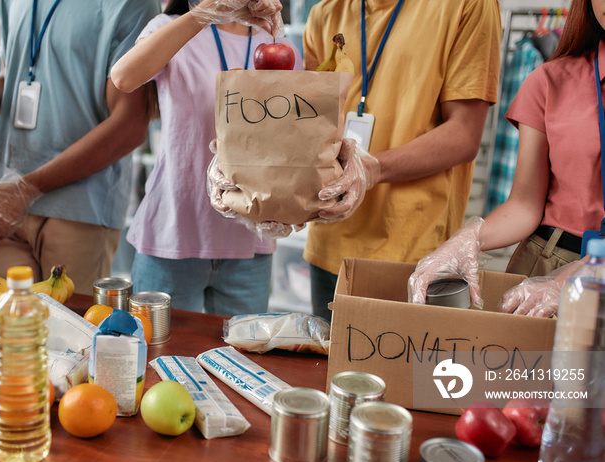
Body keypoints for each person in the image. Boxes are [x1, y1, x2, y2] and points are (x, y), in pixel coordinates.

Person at [211, 0, 500, 321]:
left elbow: (463, 134)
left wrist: (371, 168)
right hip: (328, 242)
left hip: (415, 253)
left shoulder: (468, 6)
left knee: (403, 370)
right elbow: (307, 127)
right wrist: (258, 179)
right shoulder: (325, 13)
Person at [0, 0, 161, 295]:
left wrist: (27, 189)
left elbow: (129, 128)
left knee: (68, 333)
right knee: (1, 328)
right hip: (6, 199)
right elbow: (15, 84)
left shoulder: (131, 5)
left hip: (78, 209)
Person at [409, 0, 605, 319]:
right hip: (545, 266)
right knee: (526, 370)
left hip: (573, 278)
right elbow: (525, 204)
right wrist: (470, 237)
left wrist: (573, 281)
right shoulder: (549, 81)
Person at [110, 0, 303, 316]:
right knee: (158, 359)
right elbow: (124, 77)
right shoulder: (171, 30)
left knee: (241, 362)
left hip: (249, 244)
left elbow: (291, 139)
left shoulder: (277, 45)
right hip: (172, 236)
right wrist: (204, 14)